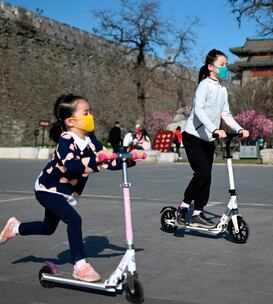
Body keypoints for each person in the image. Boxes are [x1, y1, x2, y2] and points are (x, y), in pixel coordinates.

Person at [0, 94, 144, 282]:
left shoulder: (91, 141)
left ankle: (15, 228)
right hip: (48, 189)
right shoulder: (66, 141)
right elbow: (73, 165)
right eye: (86, 113)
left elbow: (108, 161)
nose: (90, 116)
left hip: (65, 192)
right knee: (74, 220)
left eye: (90, 112)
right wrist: (99, 159)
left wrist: (128, 158)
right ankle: (80, 265)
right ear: (71, 121)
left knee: (48, 227)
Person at [176, 49, 249, 228]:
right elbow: (199, 110)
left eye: (226, 65)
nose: (225, 69)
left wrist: (240, 128)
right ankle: (183, 209)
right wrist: (214, 129)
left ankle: (198, 213)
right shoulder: (204, 85)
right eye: (222, 65)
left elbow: (226, 114)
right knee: (201, 173)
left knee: (207, 177)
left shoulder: (223, 90)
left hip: (208, 139)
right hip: (193, 136)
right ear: (211, 67)